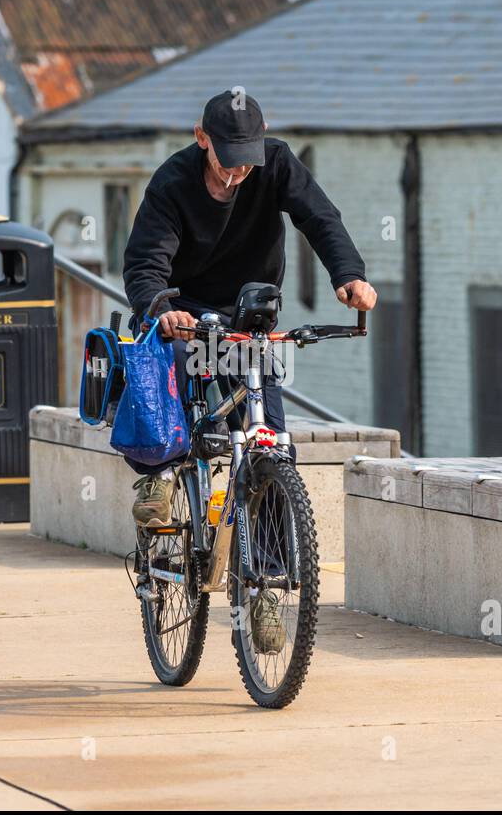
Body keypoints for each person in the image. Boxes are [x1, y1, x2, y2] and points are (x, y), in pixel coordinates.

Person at [122, 90, 377, 528]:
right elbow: (146, 262)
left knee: (271, 441)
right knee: (164, 367)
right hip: (185, 310)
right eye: (228, 158)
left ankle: (270, 577)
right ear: (202, 137)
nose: (237, 171)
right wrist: (159, 308)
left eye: (246, 158)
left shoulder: (275, 162)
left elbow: (320, 218)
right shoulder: (173, 181)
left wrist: (348, 275)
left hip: (247, 312)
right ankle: (158, 474)